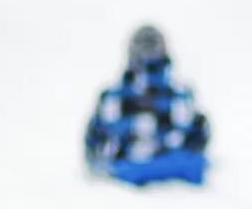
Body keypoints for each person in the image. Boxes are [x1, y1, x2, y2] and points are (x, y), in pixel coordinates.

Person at [84, 25, 211, 185]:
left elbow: (197, 134)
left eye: (151, 47)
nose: (148, 53)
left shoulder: (179, 94)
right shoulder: (114, 97)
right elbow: (96, 142)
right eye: (144, 47)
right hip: (132, 175)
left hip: (173, 174)